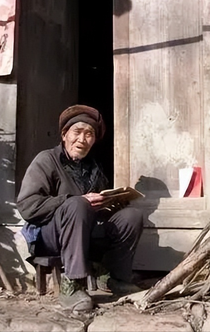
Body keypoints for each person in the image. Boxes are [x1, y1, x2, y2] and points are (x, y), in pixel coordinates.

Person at [17, 104, 144, 312]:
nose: (82, 140)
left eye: (89, 135)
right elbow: (27, 206)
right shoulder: (46, 160)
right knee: (77, 203)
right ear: (65, 134)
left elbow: (96, 210)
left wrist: (113, 202)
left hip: (84, 235)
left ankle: (115, 278)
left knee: (132, 216)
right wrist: (73, 200)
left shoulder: (94, 168)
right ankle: (72, 284)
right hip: (50, 236)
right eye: (77, 132)